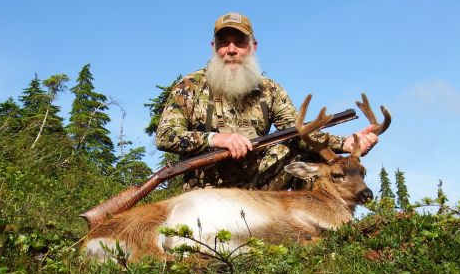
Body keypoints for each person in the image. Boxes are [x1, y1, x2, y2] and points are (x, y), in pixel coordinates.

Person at [155, 12, 378, 191]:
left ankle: (312, 233)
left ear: (253, 46)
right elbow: (165, 136)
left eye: (240, 42)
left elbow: (297, 132)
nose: (231, 50)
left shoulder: (270, 90)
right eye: (224, 42)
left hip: (259, 188)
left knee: (305, 152)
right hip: (206, 192)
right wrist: (215, 138)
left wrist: (344, 143)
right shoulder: (190, 86)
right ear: (214, 47)